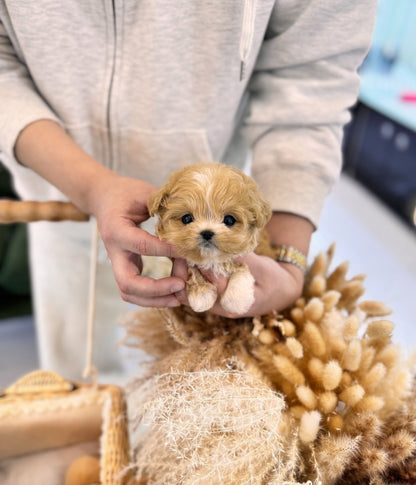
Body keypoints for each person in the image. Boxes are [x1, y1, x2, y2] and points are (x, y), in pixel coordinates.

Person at [0, 1, 377, 380]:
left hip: (202, 254)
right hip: (59, 206)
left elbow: (312, 78)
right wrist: (90, 185)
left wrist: (286, 259)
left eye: (228, 220)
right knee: (73, 386)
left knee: (182, 391)